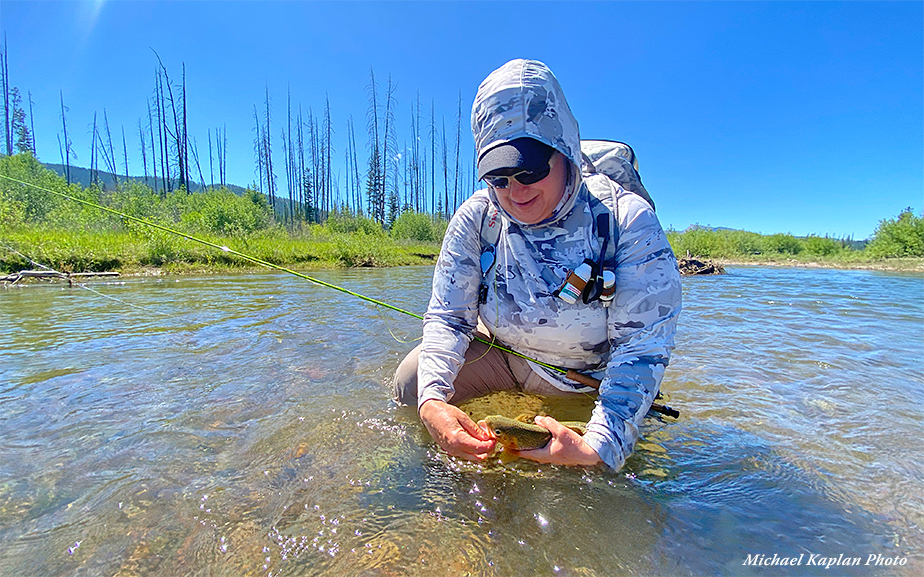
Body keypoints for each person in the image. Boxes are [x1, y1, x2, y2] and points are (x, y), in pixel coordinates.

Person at [394, 59, 682, 470]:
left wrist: (601, 447)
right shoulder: (476, 219)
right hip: (504, 352)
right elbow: (448, 319)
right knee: (412, 384)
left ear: (565, 151)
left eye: (529, 169)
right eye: (499, 177)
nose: (515, 190)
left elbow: (641, 349)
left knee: (595, 473)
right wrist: (433, 403)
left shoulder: (626, 220)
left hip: (583, 380)